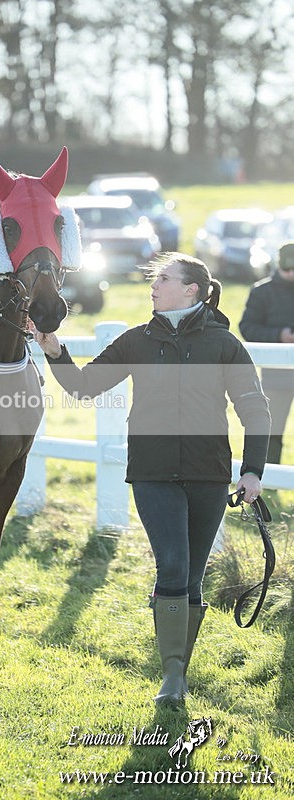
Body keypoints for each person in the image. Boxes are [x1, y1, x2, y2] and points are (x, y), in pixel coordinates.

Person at [32, 252, 270, 705]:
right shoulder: (136, 341)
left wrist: (253, 469)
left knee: (192, 578)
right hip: (152, 472)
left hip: (208, 475)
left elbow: (255, 409)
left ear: (191, 289)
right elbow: (84, 387)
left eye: (163, 278)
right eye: (154, 279)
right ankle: (172, 677)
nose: (154, 286)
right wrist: (55, 352)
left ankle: (178, 671)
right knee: (174, 564)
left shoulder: (224, 344)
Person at [239, 241, 294, 464]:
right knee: (272, 433)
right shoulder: (262, 291)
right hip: (276, 376)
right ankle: (267, 476)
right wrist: (280, 335)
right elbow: (247, 327)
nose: (292, 273)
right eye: (288, 268)